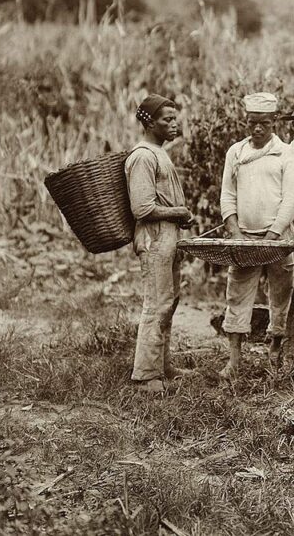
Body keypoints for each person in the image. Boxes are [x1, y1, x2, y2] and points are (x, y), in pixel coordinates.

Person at [218, 92, 294, 378]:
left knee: (281, 294)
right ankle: (234, 361)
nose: (257, 129)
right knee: (237, 294)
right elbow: (227, 195)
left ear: (274, 122)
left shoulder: (286, 153)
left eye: (263, 123)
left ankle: (275, 352)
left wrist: (274, 233)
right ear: (246, 121)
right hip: (245, 238)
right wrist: (235, 231)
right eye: (252, 123)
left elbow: (292, 198)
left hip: (278, 239)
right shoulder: (236, 152)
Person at [125, 94, 192, 394]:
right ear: (148, 122)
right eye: (167, 119)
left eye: (175, 119)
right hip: (154, 237)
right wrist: (179, 211)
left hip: (168, 235)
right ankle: (145, 376)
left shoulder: (159, 152)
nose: (174, 124)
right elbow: (142, 208)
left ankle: (163, 365)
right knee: (156, 302)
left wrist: (180, 217)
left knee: (169, 300)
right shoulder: (142, 156)